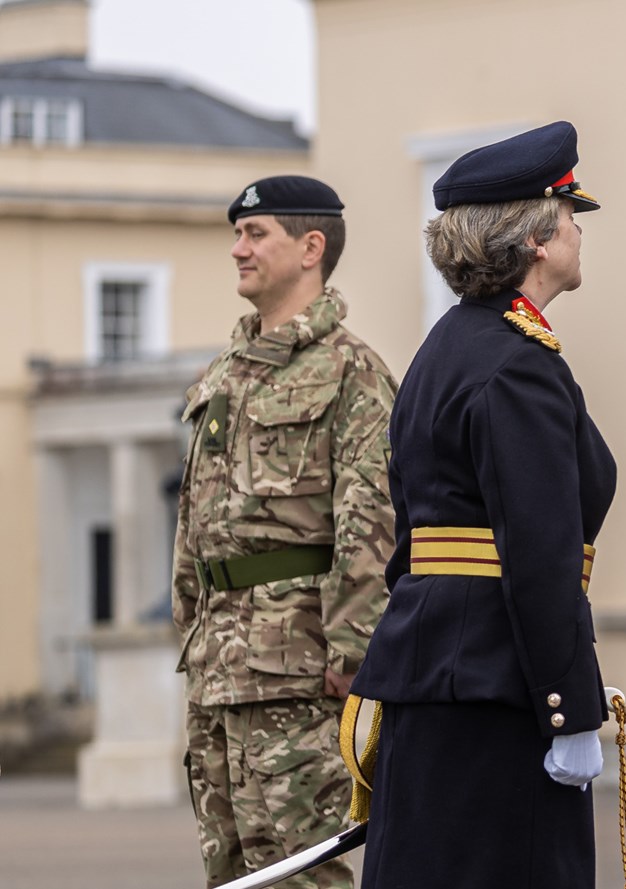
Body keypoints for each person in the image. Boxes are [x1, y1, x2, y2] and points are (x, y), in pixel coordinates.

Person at [349, 121, 617, 889]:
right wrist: (566, 710)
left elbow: (413, 537)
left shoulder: (446, 347)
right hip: (498, 684)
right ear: (536, 239)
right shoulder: (516, 363)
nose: (576, 233)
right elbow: (540, 552)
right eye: (568, 217)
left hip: (435, 663)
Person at [172, 175, 396, 889]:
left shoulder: (350, 371)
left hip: (295, 669)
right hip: (218, 666)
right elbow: (196, 517)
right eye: (237, 234)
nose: (237, 248)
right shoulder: (225, 373)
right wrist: (188, 623)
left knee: (302, 871)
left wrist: (353, 650)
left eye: (254, 233)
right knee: (231, 873)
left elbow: (371, 516)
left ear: (311, 246)